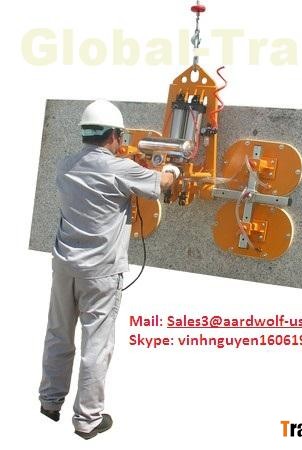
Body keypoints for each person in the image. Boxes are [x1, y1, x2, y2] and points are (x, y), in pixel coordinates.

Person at [38, 99, 179, 439]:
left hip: (64, 265)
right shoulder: (120, 169)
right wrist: (172, 169)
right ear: (114, 135)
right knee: (96, 346)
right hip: (100, 272)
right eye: (121, 137)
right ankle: (87, 421)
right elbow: (161, 184)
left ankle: (50, 402)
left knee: (58, 333)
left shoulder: (65, 165)